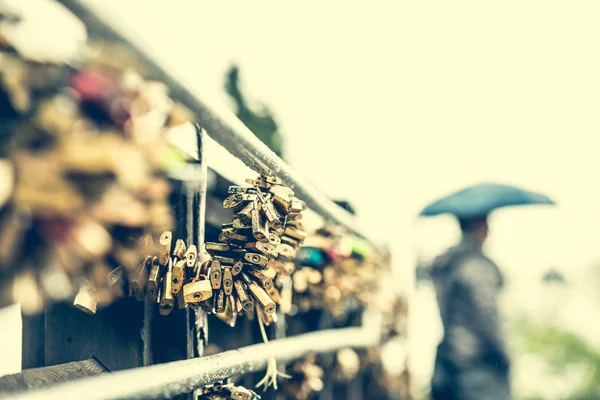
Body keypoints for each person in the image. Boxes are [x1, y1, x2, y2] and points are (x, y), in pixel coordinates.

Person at [428, 215, 511, 400]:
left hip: (447, 363)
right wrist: (504, 355)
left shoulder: (446, 263)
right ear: (479, 226)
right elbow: (487, 314)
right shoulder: (475, 266)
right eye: (486, 223)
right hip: (478, 367)